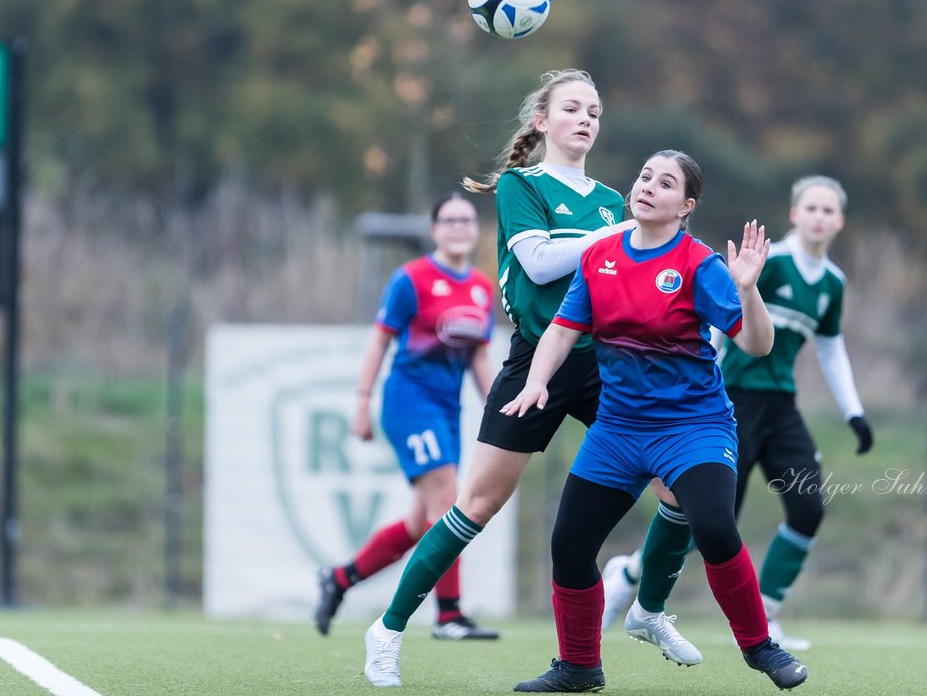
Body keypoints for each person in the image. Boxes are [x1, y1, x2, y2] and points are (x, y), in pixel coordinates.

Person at [362, 70, 700, 688]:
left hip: (605, 363)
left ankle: (647, 607)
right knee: (479, 503)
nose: (586, 119)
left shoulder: (609, 198)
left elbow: (633, 272)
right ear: (542, 121)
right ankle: (387, 629)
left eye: (595, 111)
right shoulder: (523, 184)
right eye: (572, 108)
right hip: (537, 359)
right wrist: (620, 233)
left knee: (682, 486)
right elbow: (541, 263)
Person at [503, 150, 808, 693]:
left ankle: (761, 648)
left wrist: (748, 287)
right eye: (644, 176)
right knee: (569, 546)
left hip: (693, 427)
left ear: (685, 205)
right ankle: (578, 666)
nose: (647, 186)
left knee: (715, 528)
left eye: (664, 183)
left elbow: (757, 345)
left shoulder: (699, 264)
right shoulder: (600, 257)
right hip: (617, 431)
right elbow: (561, 329)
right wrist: (536, 381)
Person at [600, 174, 874, 652]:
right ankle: (628, 572)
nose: (819, 217)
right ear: (794, 214)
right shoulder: (774, 263)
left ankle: (766, 615)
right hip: (731, 400)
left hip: (781, 407)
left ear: (840, 221)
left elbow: (830, 348)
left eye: (828, 210)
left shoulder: (832, 282)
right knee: (710, 521)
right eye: (811, 207)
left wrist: (854, 411)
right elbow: (720, 321)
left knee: (808, 506)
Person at [315, 193, 499, 640]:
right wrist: (362, 402)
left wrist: (500, 410)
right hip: (409, 403)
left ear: (476, 230)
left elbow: (477, 358)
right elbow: (380, 341)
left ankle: (340, 579)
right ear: (433, 230)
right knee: (451, 507)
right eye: (449, 220)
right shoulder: (411, 279)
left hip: (448, 411)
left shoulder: (481, 287)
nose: (458, 227)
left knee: (422, 524)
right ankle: (449, 615)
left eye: (467, 220)